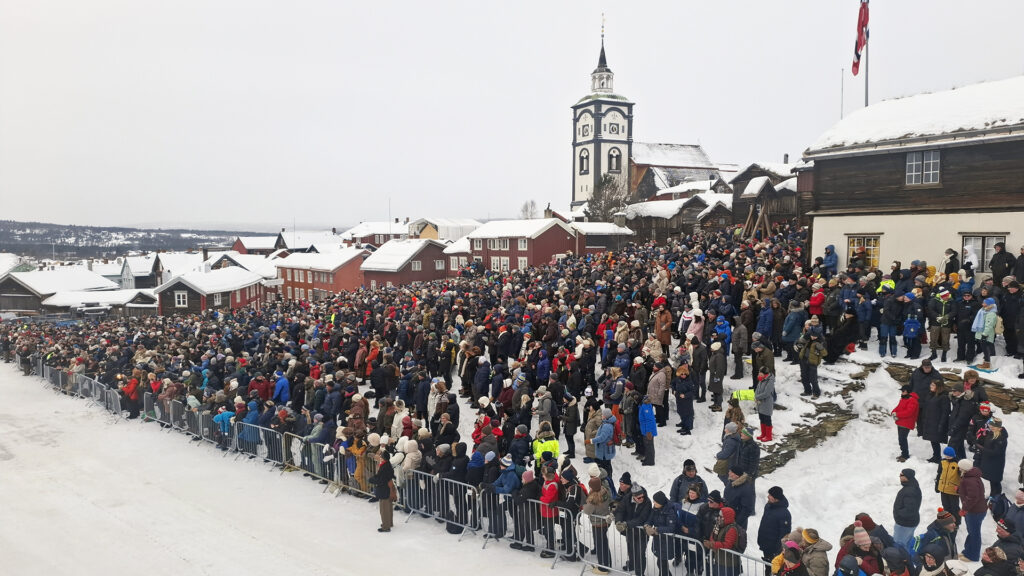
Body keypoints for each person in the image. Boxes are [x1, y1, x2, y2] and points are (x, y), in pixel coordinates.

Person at [616, 483, 652, 576]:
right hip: (630, 531)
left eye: (642, 496)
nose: (641, 499)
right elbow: (620, 510)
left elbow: (642, 518)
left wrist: (626, 524)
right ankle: (631, 564)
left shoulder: (647, 502)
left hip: (642, 533)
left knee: (640, 553)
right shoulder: (627, 498)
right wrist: (618, 521)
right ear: (633, 496)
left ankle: (640, 573)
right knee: (631, 549)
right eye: (639, 498)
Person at [957, 459, 986, 562]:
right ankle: (968, 551)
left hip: (975, 511)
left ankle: (973, 556)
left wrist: (964, 509)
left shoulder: (969, 480)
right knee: (972, 532)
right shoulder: (972, 476)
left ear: (964, 469)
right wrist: (959, 489)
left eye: (960, 467)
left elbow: (973, 497)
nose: (959, 469)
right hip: (977, 510)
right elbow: (972, 491)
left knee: (974, 534)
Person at [583, 475, 613, 574]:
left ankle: (603, 568)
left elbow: (587, 511)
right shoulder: (605, 491)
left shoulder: (594, 498)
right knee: (604, 543)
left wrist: (586, 502)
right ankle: (607, 563)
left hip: (598, 523)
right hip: (605, 521)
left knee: (600, 545)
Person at [647, 491, 682, 576]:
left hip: (667, 542)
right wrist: (647, 525)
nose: (653, 502)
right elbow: (650, 519)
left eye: (655, 501)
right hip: (658, 540)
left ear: (661, 502)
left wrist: (657, 529)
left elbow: (671, 528)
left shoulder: (670, 512)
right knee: (661, 564)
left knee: (661, 564)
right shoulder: (655, 508)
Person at [757, 486, 792, 568]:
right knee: (768, 568)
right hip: (766, 545)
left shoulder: (784, 513)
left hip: (775, 549)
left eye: (770, 495)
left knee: (775, 570)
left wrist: (777, 550)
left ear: (776, 498)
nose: (768, 496)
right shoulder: (768, 506)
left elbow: (784, 534)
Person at [975, 416, 1008, 497]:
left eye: (993, 426)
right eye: (990, 426)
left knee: (995, 482)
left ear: (998, 427)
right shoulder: (991, 433)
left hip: (996, 464)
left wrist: (981, 448)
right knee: (992, 481)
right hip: (990, 462)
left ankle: (996, 499)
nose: (990, 427)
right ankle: (993, 498)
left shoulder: (1001, 438)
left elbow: (995, 452)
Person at [920, 380, 950, 463]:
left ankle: (937, 457)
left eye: (933, 385)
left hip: (937, 422)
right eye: (931, 384)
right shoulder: (931, 395)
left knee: (935, 440)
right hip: (930, 421)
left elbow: (945, 412)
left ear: (938, 387)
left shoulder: (943, 397)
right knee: (933, 440)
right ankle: (936, 456)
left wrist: (941, 424)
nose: (930, 386)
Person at [369, 449, 398, 532]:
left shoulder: (384, 467)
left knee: (384, 509)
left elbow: (380, 479)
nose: (380, 458)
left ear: (384, 458)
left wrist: (372, 480)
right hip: (389, 489)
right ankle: (389, 523)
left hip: (384, 489)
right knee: (389, 507)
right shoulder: (388, 465)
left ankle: (386, 526)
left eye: (381, 457)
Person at [893, 468, 922, 550]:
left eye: (901, 475)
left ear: (907, 477)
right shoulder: (911, 486)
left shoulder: (910, 491)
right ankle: (908, 560)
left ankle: (901, 561)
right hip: (909, 523)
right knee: (907, 544)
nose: (899, 476)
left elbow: (910, 510)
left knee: (899, 546)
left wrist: (898, 514)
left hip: (904, 524)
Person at [892, 386, 920, 462]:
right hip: (901, 422)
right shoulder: (903, 398)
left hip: (907, 423)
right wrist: (893, 412)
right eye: (902, 391)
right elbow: (897, 408)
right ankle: (903, 453)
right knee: (901, 439)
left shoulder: (913, 400)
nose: (902, 392)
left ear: (908, 391)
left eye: (903, 391)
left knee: (902, 439)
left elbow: (909, 412)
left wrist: (897, 414)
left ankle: (905, 455)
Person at [934, 446, 961, 519]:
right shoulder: (942, 462)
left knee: (955, 508)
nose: (947, 457)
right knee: (946, 506)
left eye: (949, 456)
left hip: (953, 490)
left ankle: (956, 522)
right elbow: (939, 474)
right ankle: (947, 521)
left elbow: (962, 477)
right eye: (946, 455)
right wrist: (937, 485)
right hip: (943, 489)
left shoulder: (958, 463)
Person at [973, 298, 999, 370]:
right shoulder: (984, 311)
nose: (982, 304)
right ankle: (985, 362)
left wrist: (984, 334)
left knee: (986, 349)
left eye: (984, 303)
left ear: (989, 304)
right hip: (982, 333)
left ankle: (987, 363)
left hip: (986, 334)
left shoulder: (991, 313)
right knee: (984, 349)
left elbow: (989, 325)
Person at [754, 368, 776, 442]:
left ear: (765, 374)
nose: (759, 376)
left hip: (766, 403)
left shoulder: (770, 381)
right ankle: (763, 434)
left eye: (760, 374)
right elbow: (757, 389)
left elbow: (767, 393)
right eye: (759, 374)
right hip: (760, 403)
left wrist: (757, 397)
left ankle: (768, 436)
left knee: (767, 419)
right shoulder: (762, 379)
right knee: (762, 419)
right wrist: (756, 395)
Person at [638, 395, 657, 466]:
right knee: (646, 445)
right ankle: (648, 458)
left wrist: (649, 432)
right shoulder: (643, 406)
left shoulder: (646, 407)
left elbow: (649, 420)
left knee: (649, 446)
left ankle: (650, 461)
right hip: (644, 429)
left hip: (648, 431)